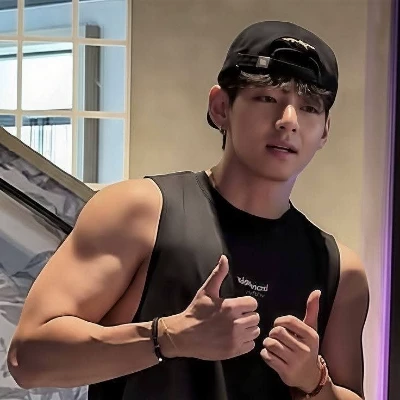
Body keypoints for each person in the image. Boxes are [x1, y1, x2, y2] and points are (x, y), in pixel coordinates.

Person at [7, 20, 369, 400]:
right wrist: (170, 337)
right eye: (267, 98)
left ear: (324, 130)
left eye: (309, 107)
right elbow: (27, 359)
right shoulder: (138, 212)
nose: (288, 121)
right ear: (221, 107)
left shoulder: (339, 269)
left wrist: (314, 381)